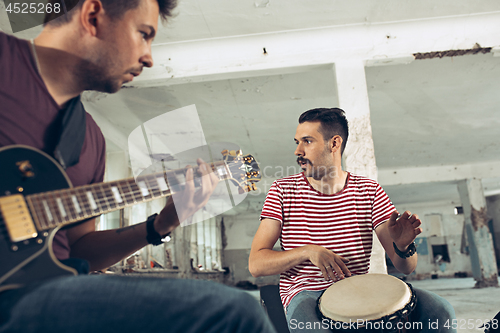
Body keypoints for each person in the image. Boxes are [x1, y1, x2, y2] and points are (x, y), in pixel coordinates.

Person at [0, 1, 276, 332]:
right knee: (232, 314)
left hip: (45, 291)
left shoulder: (89, 139)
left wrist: (162, 224)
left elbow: (80, 249)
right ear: (92, 17)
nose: (149, 57)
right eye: (144, 34)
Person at [249, 108, 456, 332]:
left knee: (440, 311)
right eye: (297, 142)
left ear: (334, 143)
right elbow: (256, 265)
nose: (298, 150)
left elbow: (405, 267)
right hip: (305, 292)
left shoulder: (369, 190)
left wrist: (403, 246)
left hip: (357, 289)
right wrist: (307, 251)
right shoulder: (282, 190)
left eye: (307, 141)